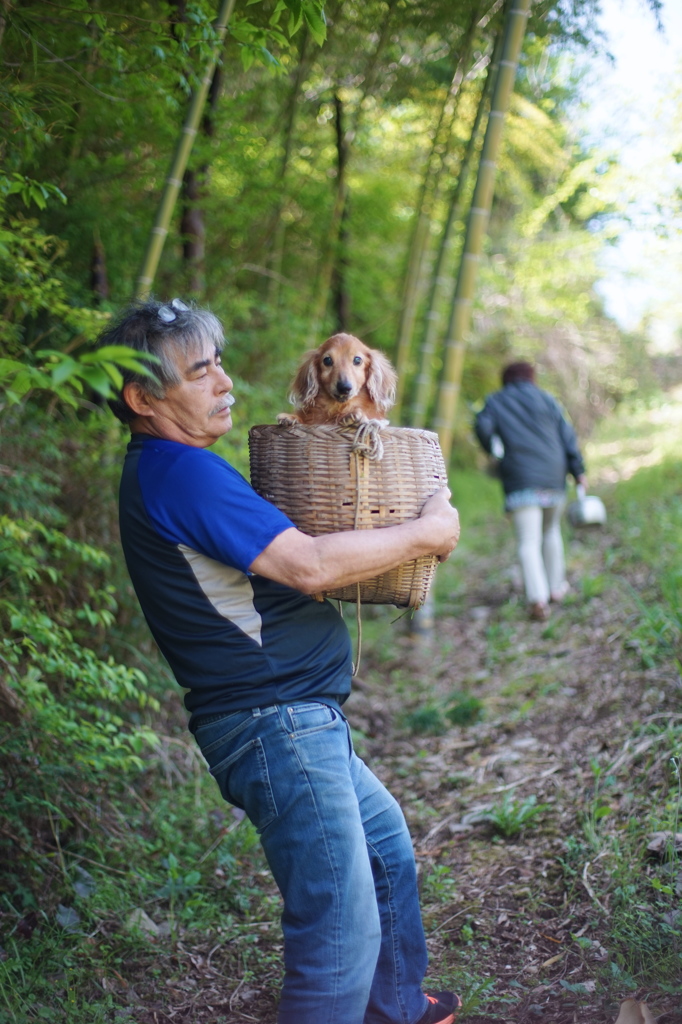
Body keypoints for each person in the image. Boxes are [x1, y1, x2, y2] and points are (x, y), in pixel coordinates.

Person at [101, 297, 462, 1024]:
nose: (224, 382)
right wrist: (429, 532)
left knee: (385, 850)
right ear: (144, 397)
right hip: (275, 726)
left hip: (296, 720)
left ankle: (393, 1009)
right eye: (202, 372)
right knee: (339, 926)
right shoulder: (180, 474)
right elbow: (311, 567)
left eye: (220, 364)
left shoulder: (179, 468)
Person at [474, 361, 586, 622]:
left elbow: (482, 426)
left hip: (521, 478)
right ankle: (556, 588)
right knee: (551, 531)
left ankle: (537, 598)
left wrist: (492, 447)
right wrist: (578, 471)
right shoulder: (548, 399)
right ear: (531, 377)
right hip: (554, 477)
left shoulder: (495, 400)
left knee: (528, 541)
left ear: (506, 379)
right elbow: (568, 437)